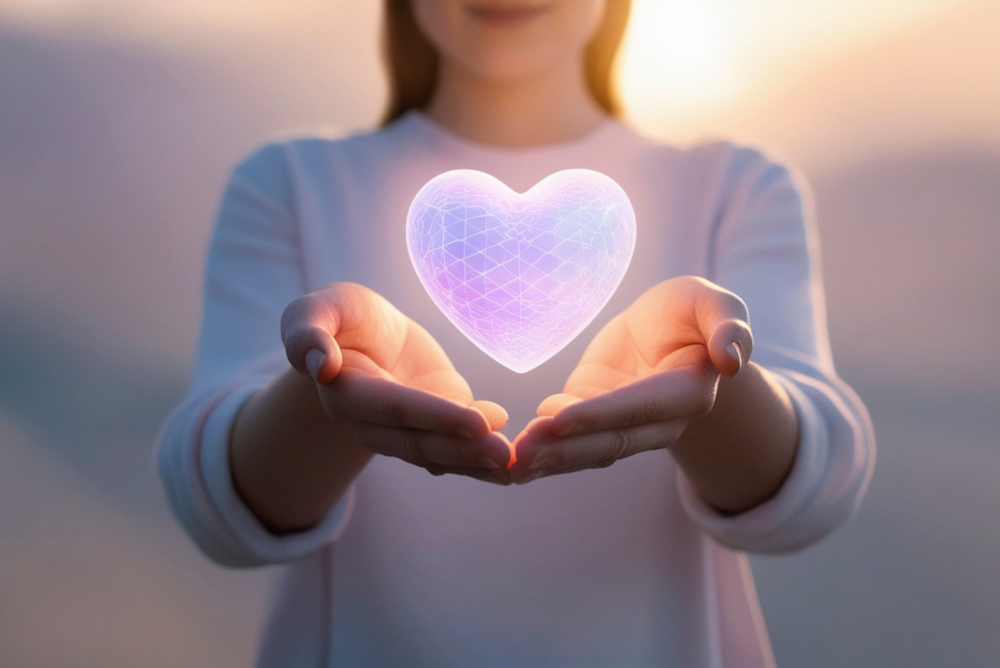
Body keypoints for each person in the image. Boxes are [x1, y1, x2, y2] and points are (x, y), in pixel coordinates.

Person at [156, 1, 876, 665]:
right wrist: (325, 398)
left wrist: (714, 388)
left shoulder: (734, 188)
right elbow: (218, 507)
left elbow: (811, 490)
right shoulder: (290, 185)